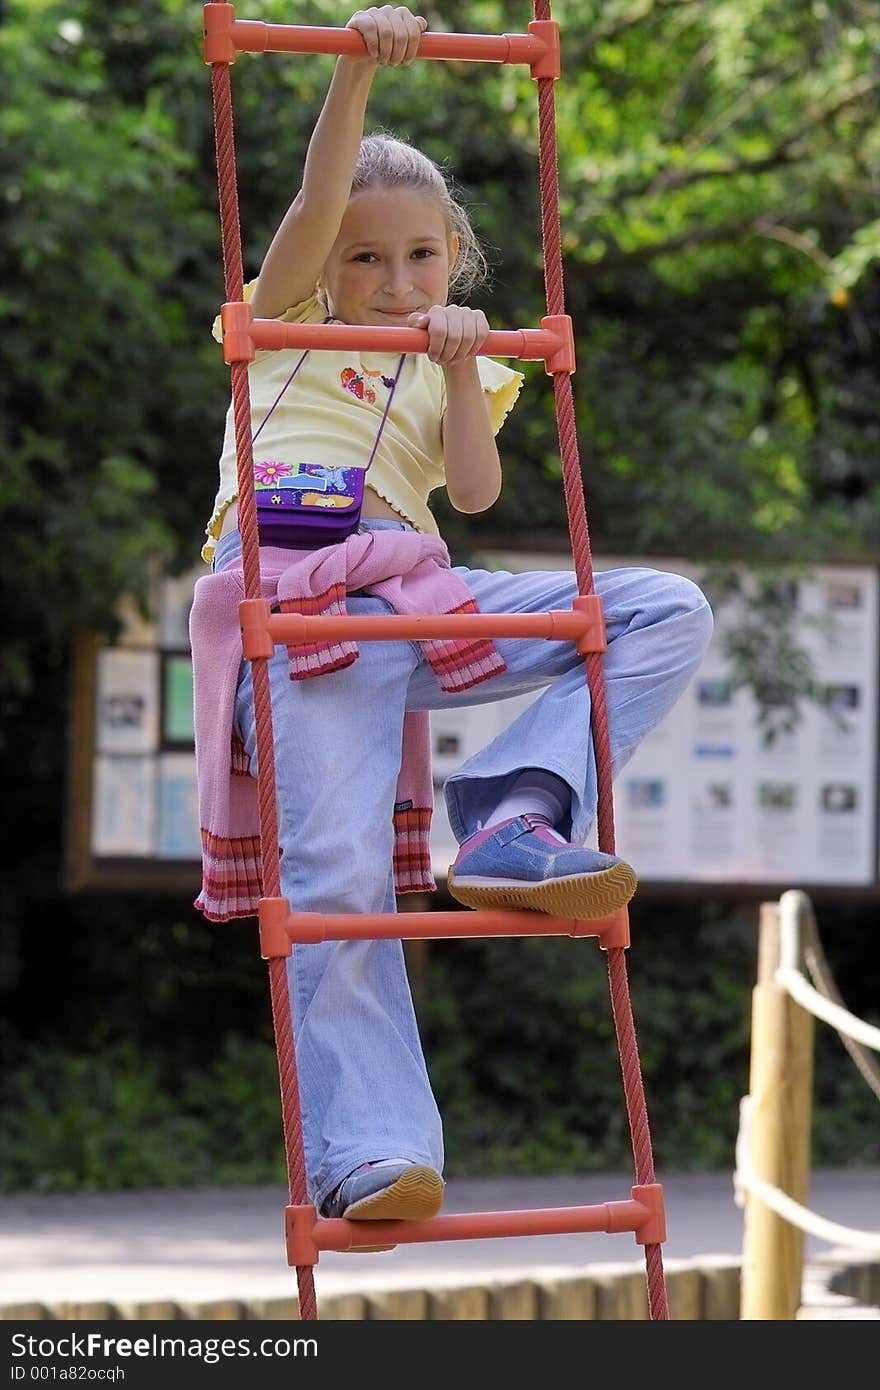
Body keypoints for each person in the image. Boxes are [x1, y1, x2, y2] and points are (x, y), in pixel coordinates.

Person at [191, 5, 713, 1235]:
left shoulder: (454, 357)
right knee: (338, 873)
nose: (393, 280)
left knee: (652, 608)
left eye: (422, 257)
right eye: (368, 260)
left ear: (453, 259)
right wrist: (353, 79)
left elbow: (471, 494)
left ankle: (514, 810)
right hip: (305, 611)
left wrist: (458, 365)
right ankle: (369, 1151)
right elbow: (321, 200)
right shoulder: (281, 325)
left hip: (418, 600)